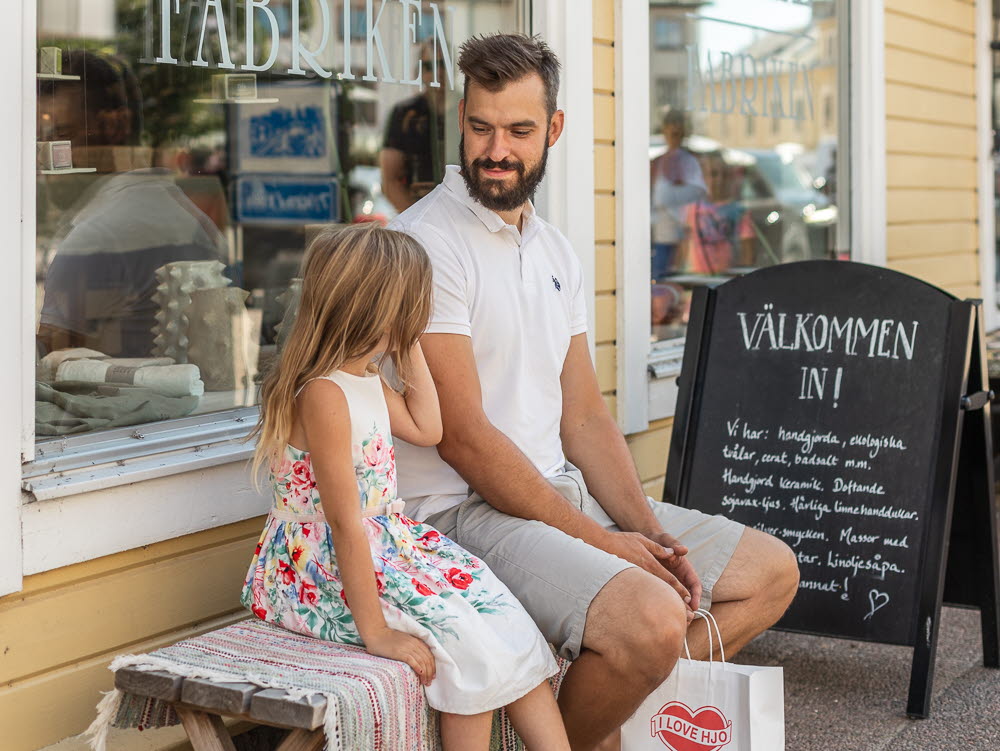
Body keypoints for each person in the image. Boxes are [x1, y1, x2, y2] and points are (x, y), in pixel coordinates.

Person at [389, 33, 799, 751]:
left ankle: (593, 720)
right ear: (461, 120)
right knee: (652, 619)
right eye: (481, 127)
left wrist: (652, 535)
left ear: (554, 129)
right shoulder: (425, 244)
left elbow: (582, 416)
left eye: (519, 131)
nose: (496, 151)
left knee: (769, 573)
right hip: (459, 514)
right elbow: (465, 439)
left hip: (556, 493)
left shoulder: (554, 249)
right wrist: (608, 543)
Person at [241, 224, 571, 751]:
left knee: (507, 624)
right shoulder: (324, 394)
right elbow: (343, 522)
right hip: (319, 567)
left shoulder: (364, 377)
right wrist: (376, 632)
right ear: (381, 309)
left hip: (385, 545)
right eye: (412, 308)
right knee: (467, 654)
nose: (420, 317)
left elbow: (427, 427)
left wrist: (407, 342)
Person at [379, 42, 447, 212]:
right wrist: (416, 219)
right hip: (418, 209)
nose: (437, 72)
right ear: (420, 72)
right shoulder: (405, 114)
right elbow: (390, 181)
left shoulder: (471, 108)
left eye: (443, 64)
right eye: (429, 66)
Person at [649, 108, 707, 279]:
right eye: (670, 127)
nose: (673, 133)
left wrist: (668, 194)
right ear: (664, 130)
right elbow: (653, 198)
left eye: (677, 128)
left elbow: (698, 193)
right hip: (661, 235)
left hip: (685, 235)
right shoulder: (657, 163)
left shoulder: (690, 161)